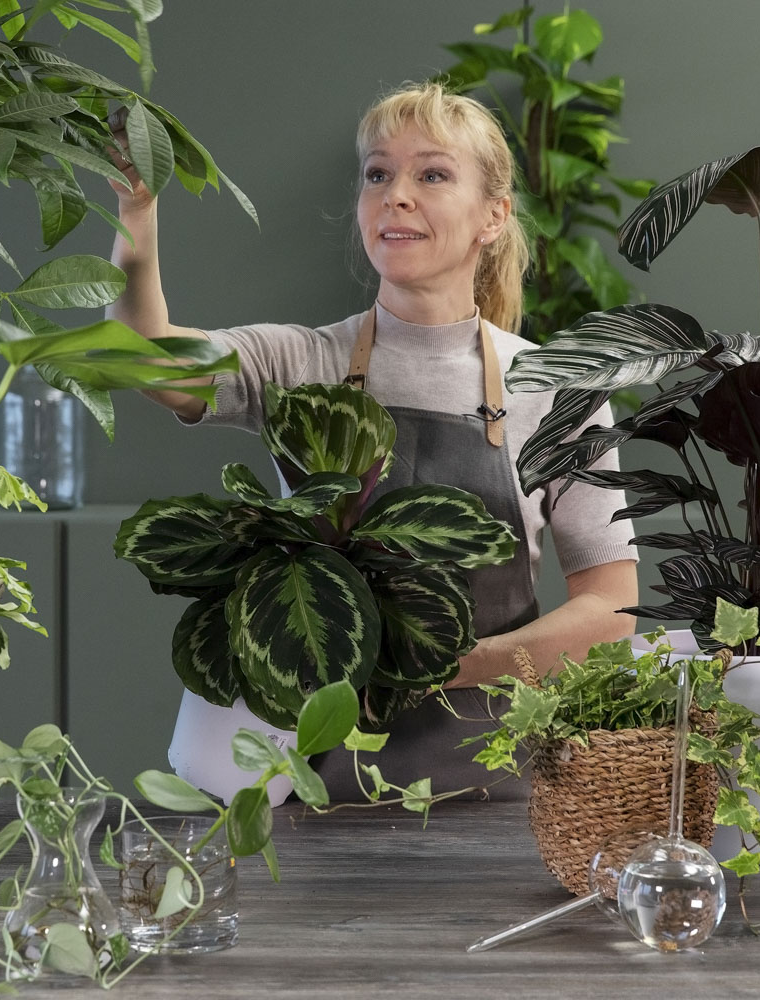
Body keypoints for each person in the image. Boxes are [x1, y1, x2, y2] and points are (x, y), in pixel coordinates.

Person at [106, 82, 638, 800]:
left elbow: (611, 610)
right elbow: (145, 359)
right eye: (378, 173)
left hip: (496, 785)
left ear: (494, 217)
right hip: (309, 786)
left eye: (433, 174)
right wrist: (136, 214)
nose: (396, 194)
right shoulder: (299, 363)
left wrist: (453, 663)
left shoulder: (557, 389)